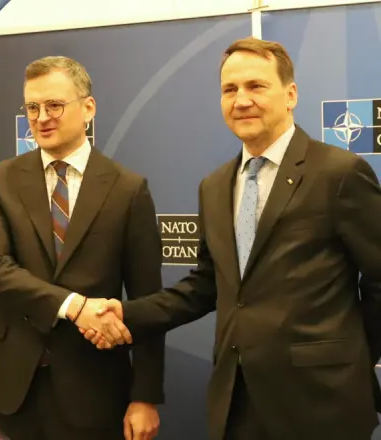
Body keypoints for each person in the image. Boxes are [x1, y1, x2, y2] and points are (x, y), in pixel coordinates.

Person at [81, 37, 381, 440]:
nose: (241, 100)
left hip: (323, 404)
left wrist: (351, 359)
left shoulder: (339, 173)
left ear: (290, 95)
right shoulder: (215, 185)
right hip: (236, 403)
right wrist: (126, 314)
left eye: (256, 86)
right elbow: (206, 285)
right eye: (230, 89)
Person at [0, 55, 165, 440]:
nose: (41, 118)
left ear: (88, 108)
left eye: (54, 105)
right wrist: (75, 306)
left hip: (93, 389)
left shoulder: (128, 189)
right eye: (32, 108)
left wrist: (145, 397)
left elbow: (148, 302)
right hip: (4, 385)